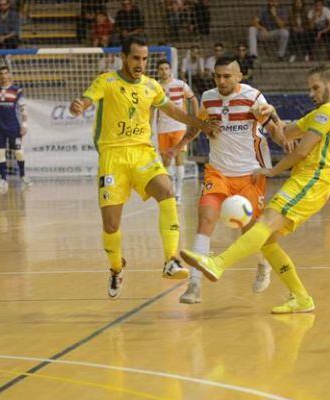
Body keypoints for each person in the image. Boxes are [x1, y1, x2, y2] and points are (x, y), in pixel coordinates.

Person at [181, 64, 330, 314]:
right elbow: (287, 133)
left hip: (313, 180)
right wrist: (272, 113)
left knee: (264, 225)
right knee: (268, 242)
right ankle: (301, 298)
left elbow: (302, 150)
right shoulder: (321, 113)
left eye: (315, 87)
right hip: (304, 180)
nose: (311, 93)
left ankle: (217, 263)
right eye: (310, 88)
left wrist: (272, 171)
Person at [69, 36, 218, 299]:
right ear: (123, 57)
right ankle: (116, 268)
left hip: (142, 153)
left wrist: (200, 124)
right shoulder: (107, 81)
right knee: (111, 226)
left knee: (167, 192)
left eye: (145, 58)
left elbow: (172, 110)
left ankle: (171, 260)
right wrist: (80, 105)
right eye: (136, 58)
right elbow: (88, 99)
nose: (141, 63)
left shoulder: (151, 86)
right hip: (112, 158)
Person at [168, 55, 293, 304]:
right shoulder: (208, 98)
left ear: (239, 76)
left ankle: (262, 264)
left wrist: (285, 140)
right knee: (205, 219)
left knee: (250, 232)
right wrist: (180, 145)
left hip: (251, 173)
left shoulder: (253, 97)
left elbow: (271, 126)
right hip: (218, 172)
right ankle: (194, 285)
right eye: (218, 76)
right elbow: (200, 124)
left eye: (227, 76)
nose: (222, 81)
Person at [155, 59, 199, 205]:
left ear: (170, 70)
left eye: (166, 68)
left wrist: (195, 118)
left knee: (179, 159)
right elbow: (151, 108)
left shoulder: (180, 85)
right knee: (166, 161)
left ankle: (178, 194)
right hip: (162, 127)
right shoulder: (156, 87)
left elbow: (193, 100)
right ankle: (170, 191)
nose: (164, 71)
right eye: (161, 69)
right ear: (158, 71)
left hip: (179, 126)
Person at [0, 66, 31, 190]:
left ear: (9, 75)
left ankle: (23, 176)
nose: (3, 76)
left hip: (13, 126)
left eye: (6, 73)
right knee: (0, 153)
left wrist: (24, 125)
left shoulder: (17, 90)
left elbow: (23, 109)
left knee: (18, 151)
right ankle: (3, 179)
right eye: (1, 74)